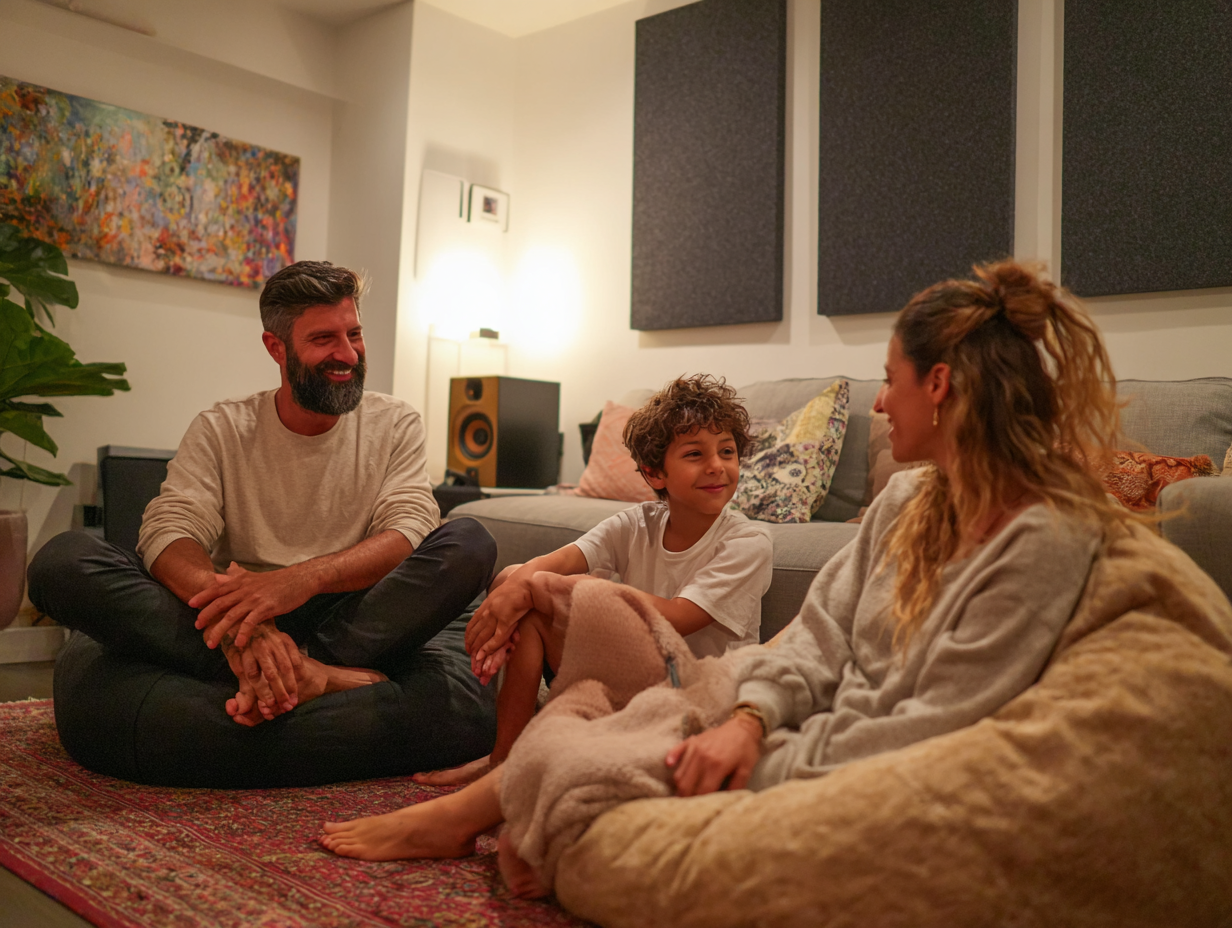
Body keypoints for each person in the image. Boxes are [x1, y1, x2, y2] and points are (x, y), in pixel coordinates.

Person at [320, 259, 1121, 899]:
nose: (881, 401)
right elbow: (817, 635)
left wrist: (762, 749)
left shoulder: (1043, 536)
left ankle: (488, 814)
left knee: (619, 731)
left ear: (938, 386)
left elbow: (936, 725)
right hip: (773, 699)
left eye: (890, 378)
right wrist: (747, 716)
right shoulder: (909, 498)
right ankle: (493, 804)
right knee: (609, 717)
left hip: (845, 749)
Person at [28, 261, 497, 727]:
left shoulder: (395, 423)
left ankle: (297, 668)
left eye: (353, 334)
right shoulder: (222, 427)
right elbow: (169, 529)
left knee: (470, 543)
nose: (349, 355)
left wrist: (300, 580)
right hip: (238, 611)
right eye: (323, 339)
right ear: (276, 348)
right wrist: (239, 623)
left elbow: (408, 528)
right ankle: (309, 673)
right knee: (63, 561)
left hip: (351, 617)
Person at [409, 374, 774, 786]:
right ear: (656, 474)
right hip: (633, 678)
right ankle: (505, 761)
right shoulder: (637, 522)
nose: (717, 466)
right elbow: (558, 561)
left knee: (536, 587)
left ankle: (520, 758)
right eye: (695, 454)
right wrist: (513, 590)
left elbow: (676, 618)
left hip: (699, 696)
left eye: (727, 452)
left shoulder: (747, 541)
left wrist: (539, 587)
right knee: (519, 583)